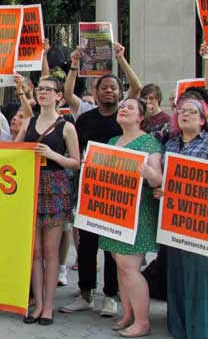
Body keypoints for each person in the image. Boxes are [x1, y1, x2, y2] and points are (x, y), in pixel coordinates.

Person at [16, 76, 80, 326]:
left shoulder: (66, 126)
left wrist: (53, 154)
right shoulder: (29, 121)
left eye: (48, 90)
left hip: (54, 187)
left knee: (51, 251)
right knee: (35, 251)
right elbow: (13, 150)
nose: (42, 93)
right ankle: (38, 303)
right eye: (40, 89)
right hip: (31, 186)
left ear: (58, 96)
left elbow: (76, 162)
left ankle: (49, 306)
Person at [60, 73, 124, 317]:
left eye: (113, 88)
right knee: (87, 245)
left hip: (117, 192)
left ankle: (110, 297)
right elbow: (76, 151)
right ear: (95, 93)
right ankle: (85, 294)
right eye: (104, 88)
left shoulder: (125, 118)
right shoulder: (85, 119)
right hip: (89, 190)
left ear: (120, 92)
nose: (109, 91)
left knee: (111, 246)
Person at [99, 98, 163, 337]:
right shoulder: (113, 142)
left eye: (130, 108)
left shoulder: (149, 143)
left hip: (138, 213)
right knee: (120, 265)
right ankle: (128, 314)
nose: (123, 109)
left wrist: (149, 173)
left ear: (140, 117)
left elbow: (158, 180)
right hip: (114, 212)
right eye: (122, 106)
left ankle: (143, 321)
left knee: (129, 267)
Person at [154, 97, 208, 339]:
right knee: (175, 272)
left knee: (198, 276)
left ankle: (199, 328)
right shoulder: (171, 145)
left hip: (198, 222)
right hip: (173, 221)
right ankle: (178, 325)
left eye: (191, 112)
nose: (185, 115)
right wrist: (160, 189)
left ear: (203, 120)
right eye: (181, 111)